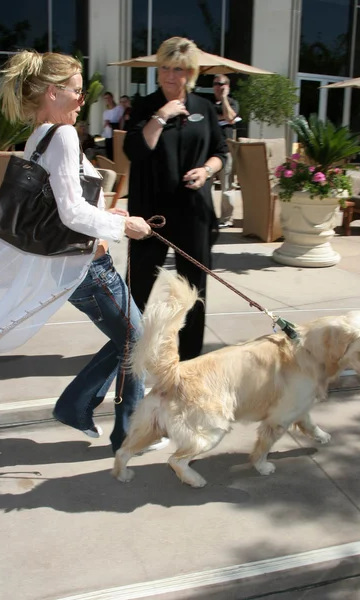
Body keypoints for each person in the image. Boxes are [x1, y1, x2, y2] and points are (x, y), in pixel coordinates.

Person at [0, 50, 154, 454]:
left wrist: (107, 212)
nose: (82, 100)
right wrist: (123, 225)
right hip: (89, 269)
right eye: (76, 92)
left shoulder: (40, 135)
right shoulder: (64, 135)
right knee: (138, 339)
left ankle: (77, 406)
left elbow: (62, 202)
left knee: (129, 338)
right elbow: (72, 211)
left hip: (74, 267)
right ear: (54, 92)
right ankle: (126, 431)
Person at [124, 37, 228, 361]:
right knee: (137, 286)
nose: (170, 76)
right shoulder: (145, 105)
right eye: (165, 68)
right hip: (151, 214)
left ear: (190, 73)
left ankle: (189, 356)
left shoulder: (205, 108)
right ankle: (128, 346)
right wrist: (162, 115)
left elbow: (221, 151)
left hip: (193, 211)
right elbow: (134, 150)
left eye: (178, 69)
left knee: (193, 289)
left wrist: (207, 171)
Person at [212, 74, 240, 228]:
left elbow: (230, 117)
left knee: (227, 186)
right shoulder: (208, 103)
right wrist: (218, 116)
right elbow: (206, 118)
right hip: (209, 150)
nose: (218, 86)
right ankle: (207, 215)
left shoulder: (233, 102)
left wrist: (224, 99)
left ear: (227, 86)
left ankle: (226, 218)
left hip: (227, 149)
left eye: (221, 84)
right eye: (215, 83)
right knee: (206, 185)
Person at [101, 91, 116, 160]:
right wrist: (106, 123)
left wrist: (111, 123)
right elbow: (104, 125)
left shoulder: (118, 109)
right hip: (107, 136)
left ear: (112, 98)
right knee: (109, 156)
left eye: (108, 98)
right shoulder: (105, 112)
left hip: (115, 136)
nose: (107, 100)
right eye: (105, 98)